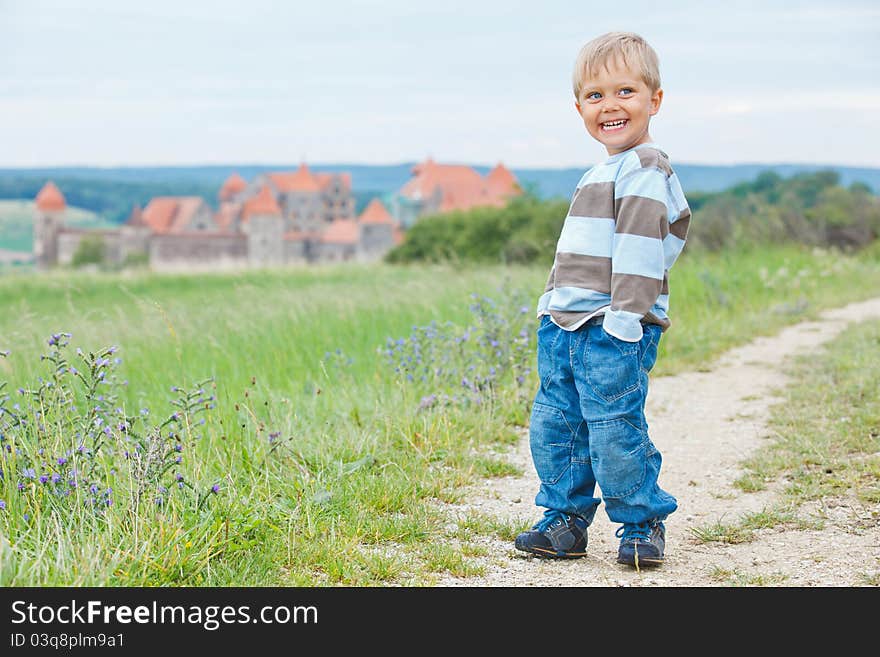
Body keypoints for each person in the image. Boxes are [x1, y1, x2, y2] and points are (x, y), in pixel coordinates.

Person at [514, 31, 691, 568]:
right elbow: (576, 253)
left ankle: (641, 524)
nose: (610, 106)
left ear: (653, 100)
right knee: (557, 426)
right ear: (579, 108)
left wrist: (625, 321)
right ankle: (565, 520)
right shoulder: (603, 169)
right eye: (595, 96)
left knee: (615, 430)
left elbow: (640, 253)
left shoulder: (645, 167)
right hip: (566, 324)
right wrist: (550, 306)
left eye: (625, 92)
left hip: (612, 327)